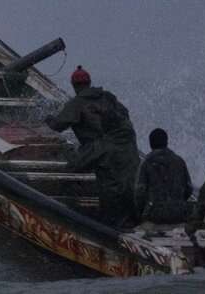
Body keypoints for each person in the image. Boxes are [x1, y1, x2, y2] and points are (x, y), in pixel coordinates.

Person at [47, 66, 140, 226]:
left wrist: (48, 119)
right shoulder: (109, 99)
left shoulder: (77, 103)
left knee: (77, 166)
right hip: (132, 189)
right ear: (90, 83)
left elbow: (57, 126)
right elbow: (124, 113)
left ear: (74, 86)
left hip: (104, 168)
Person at [134, 128, 193, 224]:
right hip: (178, 214)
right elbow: (188, 188)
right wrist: (177, 202)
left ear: (150, 143)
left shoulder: (146, 164)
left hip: (153, 215)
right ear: (166, 142)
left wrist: (141, 212)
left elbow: (139, 193)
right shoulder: (179, 161)